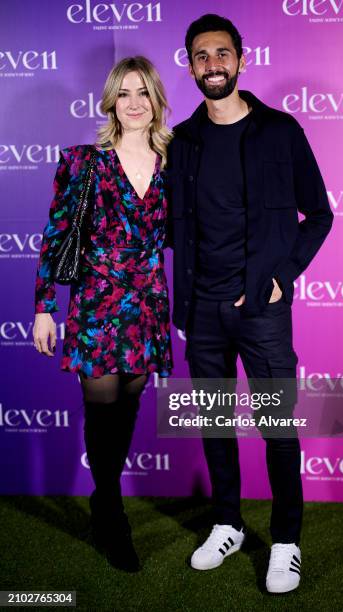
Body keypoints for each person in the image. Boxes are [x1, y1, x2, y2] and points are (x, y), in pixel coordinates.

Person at [167, 14, 333, 593]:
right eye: (201, 56)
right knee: (215, 426)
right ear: (189, 66)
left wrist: (283, 276)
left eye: (221, 53)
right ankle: (227, 523)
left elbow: (320, 214)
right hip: (201, 312)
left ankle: (285, 541)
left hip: (262, 312)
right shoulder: (181, 142)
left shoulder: (281, 131)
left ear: (240, 58)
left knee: (277, 429)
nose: (212, 64)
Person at [33, 56, 173, 573]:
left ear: (156, 100)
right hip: (96, 299)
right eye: (124, 93)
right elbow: (56, 235)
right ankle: (111, 508)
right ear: (110, 101)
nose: (134, 103)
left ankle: (103, 498)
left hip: (148, 298)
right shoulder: (82, 161)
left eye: (143, 93)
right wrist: (46, 307)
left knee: (129, 399)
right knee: (102, 401)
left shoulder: (174, 160)